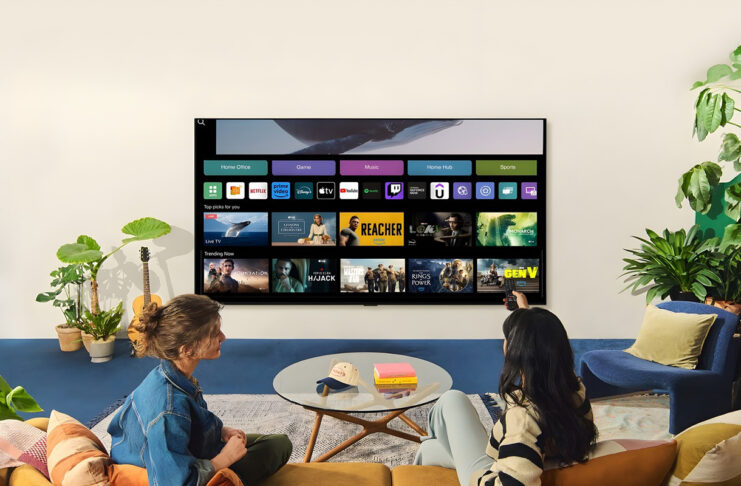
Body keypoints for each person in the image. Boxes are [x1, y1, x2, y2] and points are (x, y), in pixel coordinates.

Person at [414, 292, 596, 486]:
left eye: (508, 338)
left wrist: (481, 478)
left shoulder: (522, 418)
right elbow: (541, 343)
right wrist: (524, 312)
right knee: (429, 450)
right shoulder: (575, 390)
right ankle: (429, 451)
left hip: (492, 472)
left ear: (518, 351)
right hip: (542, 454)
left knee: (451, 399)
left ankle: (432, 445)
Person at [109, 294, 292, 486]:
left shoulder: (166, 375)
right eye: (215, 334)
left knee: (258, 441)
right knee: (278, 445)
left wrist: (222, 431)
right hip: (169, 474)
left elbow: (190, 425)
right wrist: (224, 459)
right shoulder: (168, 411)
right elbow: (177, 482)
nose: (223, 337)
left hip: (174, 456)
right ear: (187, 349)